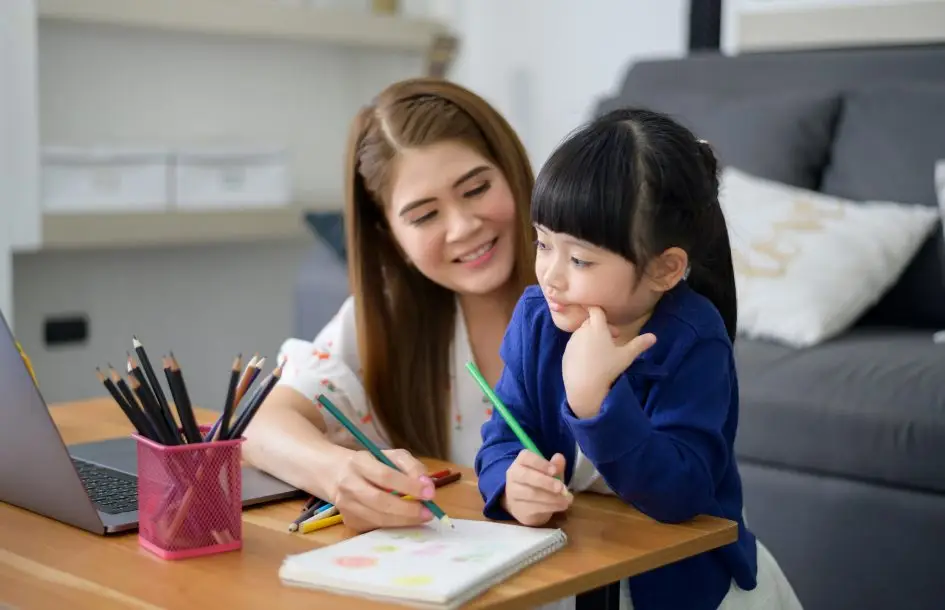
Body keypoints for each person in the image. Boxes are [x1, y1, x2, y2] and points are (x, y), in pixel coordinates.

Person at [474, 108, 803, 610]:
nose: (550, 275)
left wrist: (594, 403)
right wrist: (508, 484)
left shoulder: (694, 340)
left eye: (579, 259)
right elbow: (501, 438)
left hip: (681, 585)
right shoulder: (538, 319)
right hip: (575, 563)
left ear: (664, 269)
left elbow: (681, 494)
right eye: (543, 243)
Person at [241, 78, 537, 534]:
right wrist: (338, 473)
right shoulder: (386, 320)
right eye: (424, 215)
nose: (462, 227)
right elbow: (259, 425)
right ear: (391, 237)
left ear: (512, 172)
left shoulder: (598, 288)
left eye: (476, 189)